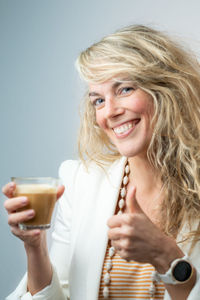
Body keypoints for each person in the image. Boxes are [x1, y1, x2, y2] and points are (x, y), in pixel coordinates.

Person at [3, 24, 200, 300]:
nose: (110, 112)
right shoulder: (81, 181)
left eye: (125, 89)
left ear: (168, 90)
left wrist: (165, 256)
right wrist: (35, 247)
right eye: (98, 100)